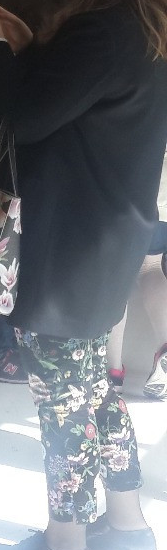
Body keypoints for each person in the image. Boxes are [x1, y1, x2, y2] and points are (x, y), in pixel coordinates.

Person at [0, 0, 167, 550]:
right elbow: (66, 103)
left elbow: (26, 118)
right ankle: (128, 527)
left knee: (63, 406)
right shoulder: (140, 25)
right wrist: (28, 49)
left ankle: (66, 545)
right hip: (107, 240)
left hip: (70, 248)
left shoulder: (100, 31)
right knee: (95, 390)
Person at [107, 147, 167, 398]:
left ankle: (113, 373)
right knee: (151, 267)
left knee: (116, 272)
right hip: (163, 181)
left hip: (128, 166)